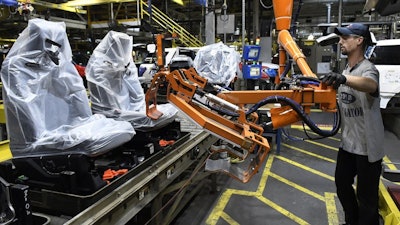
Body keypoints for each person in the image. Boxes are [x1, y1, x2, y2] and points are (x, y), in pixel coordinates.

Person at [320, 23, 384, 225]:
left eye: (345, 38)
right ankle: (351, 221)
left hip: (367, 147)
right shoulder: (348, 68)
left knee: (367, 199)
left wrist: (344, 78)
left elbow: (370, 85)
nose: (340, 42)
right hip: (348, 144)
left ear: (359, 41)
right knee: (342, 185)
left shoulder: (368, 69)